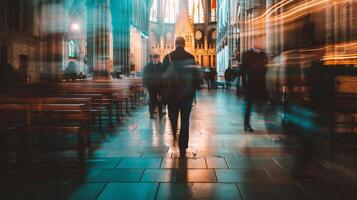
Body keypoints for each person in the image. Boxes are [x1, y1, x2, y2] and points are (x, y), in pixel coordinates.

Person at [162, 37, 202, 157]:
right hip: (187, 95)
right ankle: (183, 146)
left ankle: (174, 138)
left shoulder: (168, 57)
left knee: (173, 119)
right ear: (184, 44)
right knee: (185, 121)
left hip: (172, 95)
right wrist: (193, 90)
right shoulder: (191, 57)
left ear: (175, 44)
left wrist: (162, 93)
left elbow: (162, 77)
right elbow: (196, 78)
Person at [241, 47, 268, 132]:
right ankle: (247, 123)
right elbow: (244, 70)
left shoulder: (262, 54)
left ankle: (248, 123)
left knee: (260, 105)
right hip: (251, 84)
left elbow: (265, 69)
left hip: (259, 85)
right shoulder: (248, 54)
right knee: (249, 105)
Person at [143, 54, 164, 119]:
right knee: (151, 101)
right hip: (151, 86)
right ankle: (151, 114)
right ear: (152, 59)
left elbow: (164, 76)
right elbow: (145, 76)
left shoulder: (162, 66)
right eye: (154, 59)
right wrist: (145, 85)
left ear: (158, 58)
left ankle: (160, 114)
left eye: (156, 59)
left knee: (159, 101)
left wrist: (164, 86)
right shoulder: (148, 66)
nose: (155, 60)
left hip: (159, 86)